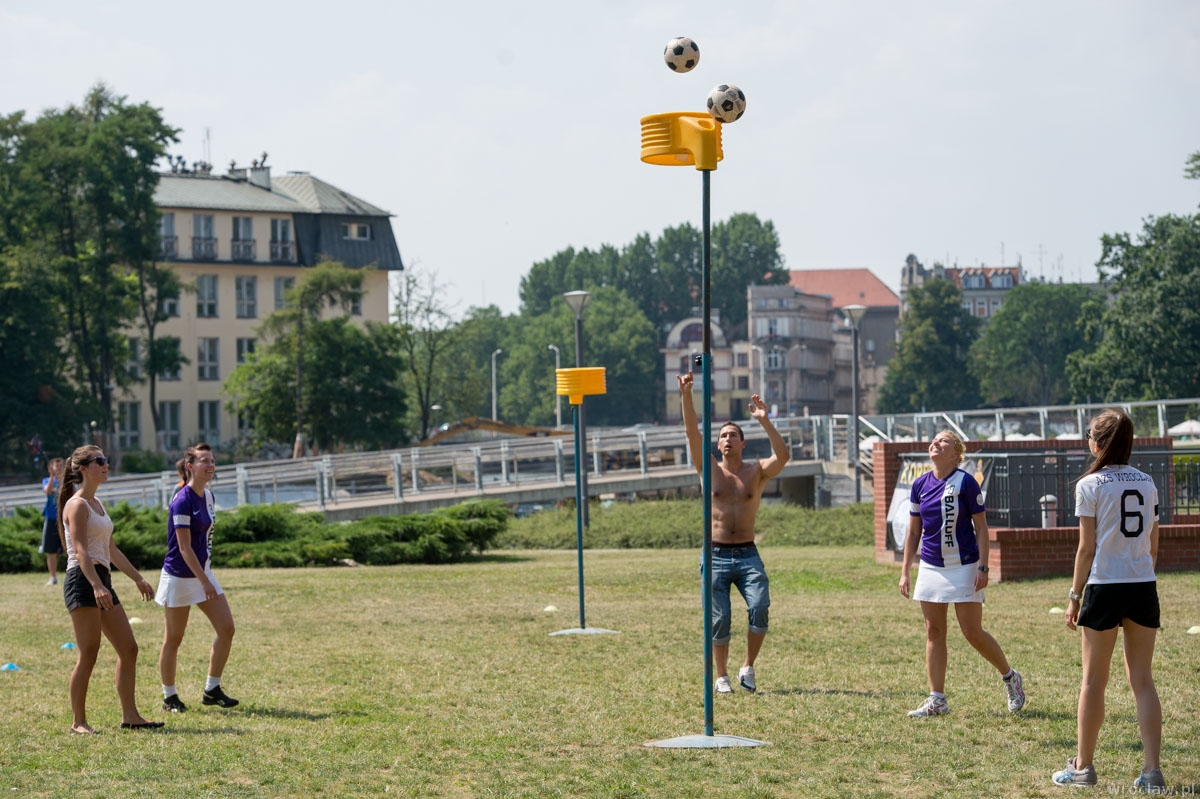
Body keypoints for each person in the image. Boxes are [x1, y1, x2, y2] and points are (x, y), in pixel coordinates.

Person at [1052, 410, 1165, 791]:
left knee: (1093, 682)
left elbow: (1086, 549)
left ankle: (1083, 768)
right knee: (1143, 681)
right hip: (1141, 583)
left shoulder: (1090, 484)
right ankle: (1152, 771)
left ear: (1097, 443)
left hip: (1104, 585)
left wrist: (1073, 596)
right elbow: (1153, 542)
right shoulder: (1147, 482)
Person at [899, 429, 1025, 717]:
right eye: (933, 440)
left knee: (972, 632)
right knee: (934, 631)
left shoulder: (966, 482)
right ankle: (937, 700)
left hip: (966, 564)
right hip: (931, 565)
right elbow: (914, 531)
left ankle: (1010, 677)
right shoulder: (919, 484)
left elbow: (981, 528)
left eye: (943, 441)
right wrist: (906, 569)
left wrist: (983, 566)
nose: (935, 443)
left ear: (956, 452)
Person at [678, 370, 789, 694]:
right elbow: (691, 432)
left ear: (742, 442)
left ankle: (748, 667)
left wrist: (765, 420)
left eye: (733, 435)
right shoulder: (708, 468)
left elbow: (783, 456)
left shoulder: (757, 472)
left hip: (747, 553)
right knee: (719, 618)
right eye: (723, 435)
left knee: (759, 607)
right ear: (718, 444)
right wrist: (687, 394)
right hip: (714, 554)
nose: (727, 439)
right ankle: (722, 675)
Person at [57, 445, 163, 734]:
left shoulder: (97, 504)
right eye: (99, 461)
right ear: (83, 469)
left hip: (101, 580)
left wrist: (138, 578)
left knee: (129, 648)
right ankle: (78, 722)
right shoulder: (76, 504)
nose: (106, 464)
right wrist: (95, 585)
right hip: (83, 580)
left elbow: (111, 549)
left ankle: (131, 716)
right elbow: (79, 551)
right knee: (89, 652)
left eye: (106, 460)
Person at [156, 443, 239, 712]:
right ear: (190, 466)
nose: (211, 465)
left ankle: (212, 689)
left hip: (202, 573)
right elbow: (183, 547)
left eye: (212, 460)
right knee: (174, 639)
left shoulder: (210, 497)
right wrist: (204, 581)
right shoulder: (182, 499)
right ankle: (169, 697)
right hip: (180, 577)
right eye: (204, 461)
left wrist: (206, 575)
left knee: (227, 629)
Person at [40, 457, 65, 586]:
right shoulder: (46, 480)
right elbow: (48, 491)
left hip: (65, 519)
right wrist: (51, 477)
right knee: (51, 550)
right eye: (57, 466)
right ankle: (53, 577)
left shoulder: (68, 481)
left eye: (61, 466)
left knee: (72, 548)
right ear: (52, 468)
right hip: (51, 518)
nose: (59, 468)